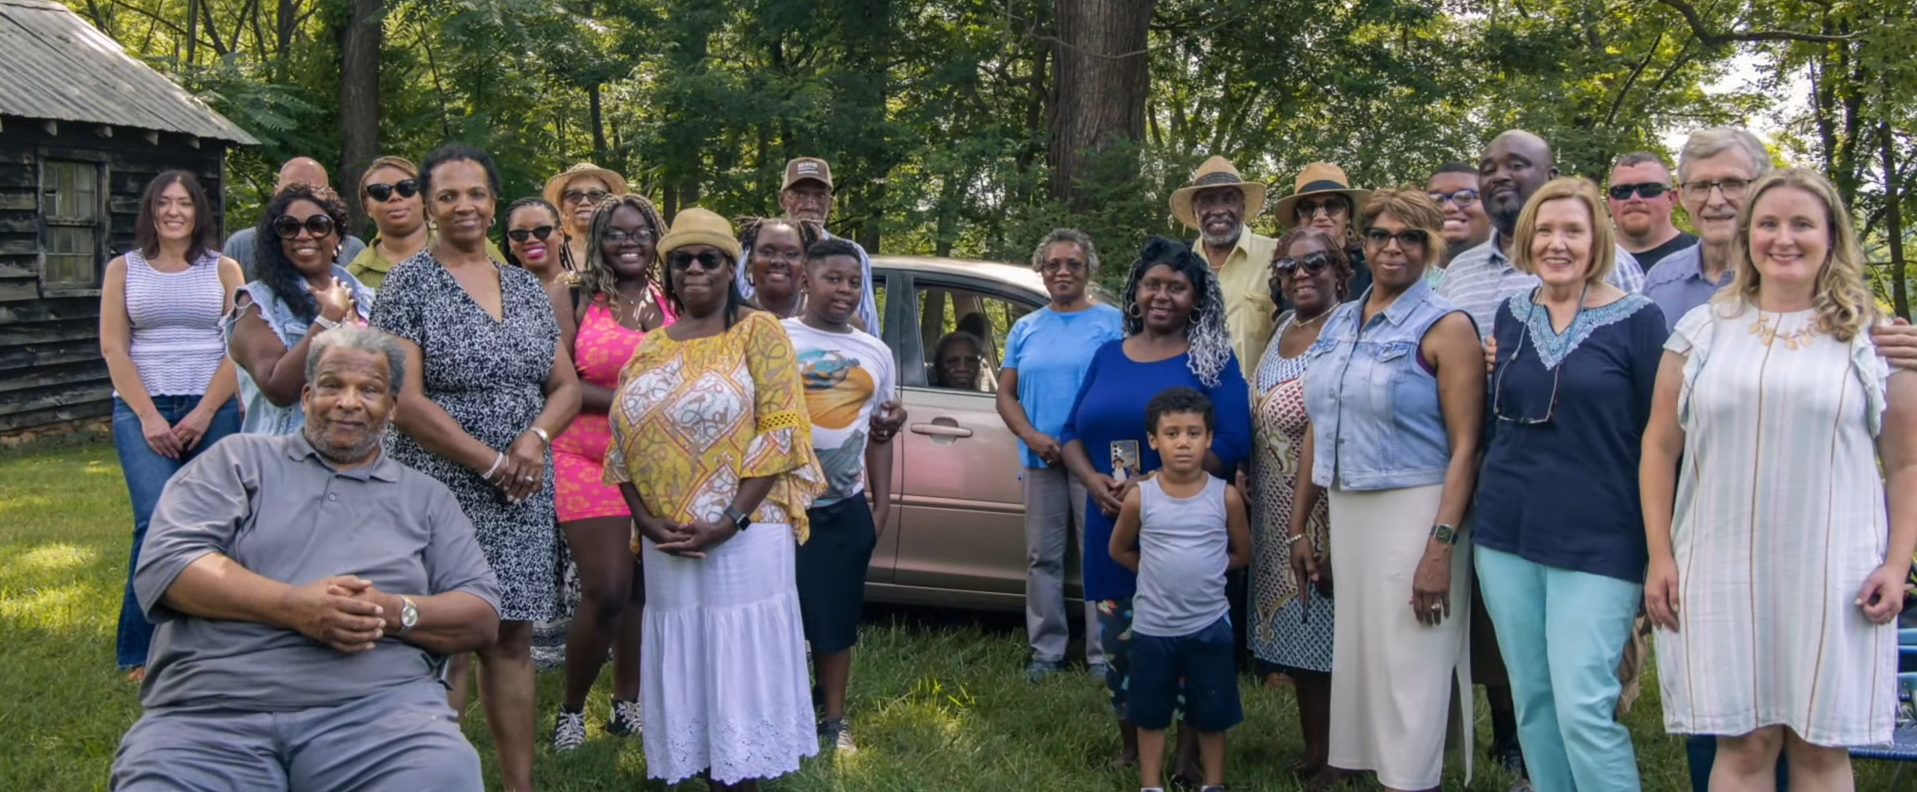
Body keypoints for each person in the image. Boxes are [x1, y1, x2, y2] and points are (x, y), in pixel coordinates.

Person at [108, 326, 502, 792]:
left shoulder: (428, 499)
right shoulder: (237, 461)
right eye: (333, 385)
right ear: (307, 396)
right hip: (211, 716)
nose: (349, 402)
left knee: (442, 775)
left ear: (393, 408)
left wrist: (391, 611)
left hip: (382, 721)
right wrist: (294, 606)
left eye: (370, 390)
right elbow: (167, 565)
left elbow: (481, 616)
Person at [1643, 168, 1917, 792]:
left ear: (1831, 237)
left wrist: (1897, 566)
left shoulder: (1876, 339)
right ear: (1748, 237)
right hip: (1717, 564)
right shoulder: (1703, 332)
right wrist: (1660, 554)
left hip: (1833, 568)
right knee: (1743, 743)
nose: (1783, 238)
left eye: (1802, 224)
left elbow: (1907, 464)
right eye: (1768, 224)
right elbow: (1659, 447)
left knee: (1821, 748)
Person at [369, 145, 582, 792]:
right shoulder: (407, 284)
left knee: (511, 638)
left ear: (493, 202)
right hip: (441, 483)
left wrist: (535, 441)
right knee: (446, 638)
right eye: (448, 195)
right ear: (429, 207)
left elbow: (565, 386)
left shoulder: (524, 285)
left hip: (521, 487)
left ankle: (519, 786)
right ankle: (438, 780)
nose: (464, 205)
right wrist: (490, 461)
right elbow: (403, 401)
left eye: (476, 193)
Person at [603, 208, 825, 790]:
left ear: (734, 268)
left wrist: (729, 520)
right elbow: (620, 441)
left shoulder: (760, 332)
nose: (694, 269)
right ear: (668, 271)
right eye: (682, 260)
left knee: (736, 653)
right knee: (683, 646)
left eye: (709, 258)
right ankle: (689, 759)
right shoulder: (649, 346)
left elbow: (782, 433)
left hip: (746, 531)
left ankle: (739, 773)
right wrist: (646, 520)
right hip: (669, 535)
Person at [1472, 179, 1666, 792]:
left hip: (1600, 538)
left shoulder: (1640, 321)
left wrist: (1660, 549)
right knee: (1532, 697)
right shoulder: (1512, 314)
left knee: (1584, 702)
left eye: (1573, 231)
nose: (1557, 244)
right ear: (1528, 240)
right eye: (1545, 231)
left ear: (1596, 240)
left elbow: (1660, 441)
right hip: (1507, 531)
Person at [1290, 189, 1485, 792]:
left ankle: (1414, 782)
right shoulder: (1343, 319)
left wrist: (1439, 546)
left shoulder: (1446, 326)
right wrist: (1301, 526)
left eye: (1410, 237)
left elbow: (1468, 447)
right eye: (1380, 235)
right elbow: (1320, 425)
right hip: (1350, 511)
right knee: (1368, 666)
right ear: (1363, 243)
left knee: (1412, 670)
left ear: (1431, 248)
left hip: (1417, 509)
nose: (1393, 247)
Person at [1061, 237, 1252, 776]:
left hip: (1186, 528)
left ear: (1197, 298)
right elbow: (1073, 431)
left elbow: (1233, 441)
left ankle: (1190, 759)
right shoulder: (1107, 355)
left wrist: (1153, 485)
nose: (1161, 295)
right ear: (1135, 291)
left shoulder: (1211, 360)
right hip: (1111, 520)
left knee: (1189, 644)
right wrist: (1095, 482)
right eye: (1152, 284)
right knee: (1123, 642)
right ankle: (1133, 749)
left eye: (1176, 286)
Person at [100, 171, 245, 681]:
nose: (174, 211)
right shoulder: (124, 269)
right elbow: (115, 348)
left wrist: (205, 411)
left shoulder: (225, 269)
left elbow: (240, 347)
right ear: (151, 211)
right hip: (143, 408)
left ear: (199, 211)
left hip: (214, 408)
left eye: (184, 203)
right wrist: (149, 416)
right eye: (164, 203)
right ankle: (140, 651)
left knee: (214, 524)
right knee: (155, 519)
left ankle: (210, 644)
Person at [547, 194, 675, 751]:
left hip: (661, 461)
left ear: (656, 238)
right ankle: (571, 710)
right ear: (597, 240)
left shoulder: (675, 297)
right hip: (585, 457)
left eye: (640, 233)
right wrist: (641, 396)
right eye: (616, 233)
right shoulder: (573, 295)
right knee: (607, 587)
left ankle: (628, 705)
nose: (629, 243)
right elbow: (561, 387)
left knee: (644, 588)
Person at [786, 238, 902, 754]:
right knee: (778, 618)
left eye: (854, 282)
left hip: (842, 507)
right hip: (777, 507)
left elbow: (881, 431)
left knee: (836, 619)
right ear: (806, 281)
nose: (846, 290)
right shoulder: (775, 338)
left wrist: (880, 504)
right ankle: (782, 711)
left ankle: (833, 721)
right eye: (834, 278)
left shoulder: (875, 352)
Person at [997, 229, 1126, 683]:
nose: (1062, 272)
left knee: (1101, 555)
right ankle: (1046, 651)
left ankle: (1102, 654)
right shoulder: (1026, 327)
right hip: (1043, 458)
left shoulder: (1113, 323)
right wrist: (1033, 437)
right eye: (1053, 264)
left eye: (1073, 263)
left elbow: (1125, 386)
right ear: (1042, 271)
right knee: (1043, 558)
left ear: (1089, 269)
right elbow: (1006, 396)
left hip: (1094, 463)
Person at [1108, 387, 1253, 792]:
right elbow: (1119, 549)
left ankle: (1215, 783)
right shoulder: (1141, 497)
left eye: (1193, 433)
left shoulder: (1224, 497)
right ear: (1153, 440)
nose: (1183, 443)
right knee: (1152, 712)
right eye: (1172, 434)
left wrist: (1206, 571)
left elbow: (1242, 553)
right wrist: (1152, 570)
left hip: (1209, 625)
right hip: (1154, 628)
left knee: (1212, 709)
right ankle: (1151, 784)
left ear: (1209, 438)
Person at [1248, 228, 1353, 778]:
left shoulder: (1351, 328)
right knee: (1303, 643)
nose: (1301, 274)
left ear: (1339, 268)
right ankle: (1317, 750)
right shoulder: (1285, 325)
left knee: (1336, 639)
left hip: (1327, 513)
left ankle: (1347, 754)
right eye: (1289, 267)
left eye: (1315, 263)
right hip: (1273, 507)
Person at [1440, 130, 1646, 339]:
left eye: (1516, 166)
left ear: (1551, 178)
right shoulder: (1458, 270)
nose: (1499, 177)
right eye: (1488, 170)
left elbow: (1643, 346)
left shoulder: (1609, 261)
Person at [227, 185, 375, 436]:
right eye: (289, 227)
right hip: (288, 461)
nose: (303, 235)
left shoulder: (369, 300)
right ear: (278, 240)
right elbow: (279, 389)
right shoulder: (256, 303)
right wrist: (328, 319)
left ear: (337, 237)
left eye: (317, 225)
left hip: (364, 456)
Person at [735, 157, 881, 332]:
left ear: (831, 203)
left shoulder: (851, 255)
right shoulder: (749, 251)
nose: (810, 203)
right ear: (782, 200)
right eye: (800, 194)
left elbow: (869, 327)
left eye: (819, 195)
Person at [1169, 156, 1278, 368]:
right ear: (1195, 211)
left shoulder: (1275, 255)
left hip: (1252, 398)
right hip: (1187, 396)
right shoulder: (1179, 263)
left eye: (1228, 199)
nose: (1218, 210)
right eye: (1208, 201)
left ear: (1243, 207)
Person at [225, 157, 367, 276]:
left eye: (315, 190)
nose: (303, 198)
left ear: (329, 195)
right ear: (277, 193)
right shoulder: (241, 246)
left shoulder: (353, 249)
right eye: (292, 190)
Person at [1273, 162, 1376, 298]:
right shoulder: (1286, 271)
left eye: (1332, 206)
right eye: (1308, 208)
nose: (1320, 217)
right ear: (1298, 220)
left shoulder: (1371, 267)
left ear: (1348, 216)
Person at [345, 156, 429, 290]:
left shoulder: (463, 244)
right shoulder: (354, 279)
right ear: (367, 207)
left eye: (407, 187)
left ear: (423, 197)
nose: (395, 197)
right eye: (380, 192)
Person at [1607, 152, 1696, 272]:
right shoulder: (1587, 262)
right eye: (1622, 191)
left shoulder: (1705, 258)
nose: (1634, 199)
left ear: (1672, 198)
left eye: (1648, 189)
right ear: (1609, 202)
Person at [543, 162, 629, 272]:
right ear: (563, 207)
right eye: (574, 195)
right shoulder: (551, 258)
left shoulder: (624, 251)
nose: (584, 202)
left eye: (596, 195)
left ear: (610, 203)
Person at [738, 216, 825, 320]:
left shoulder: (827, 318)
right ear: (750, 261)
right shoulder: (731, 320)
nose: (778, 261)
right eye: (767, 252)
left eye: (791, 254)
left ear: (805, 264)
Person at [1428, 163, 1492, 277]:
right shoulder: (1404, 276)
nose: (1448, 208)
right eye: (1436, 200)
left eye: (1465, 197)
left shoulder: (1524, 270)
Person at [503, 197, 567, 285]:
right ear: (510, 242)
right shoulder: (498, 293)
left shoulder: (587, 287)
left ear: (560, 235)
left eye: (542, 231)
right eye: (520, 234)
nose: (531, 239)